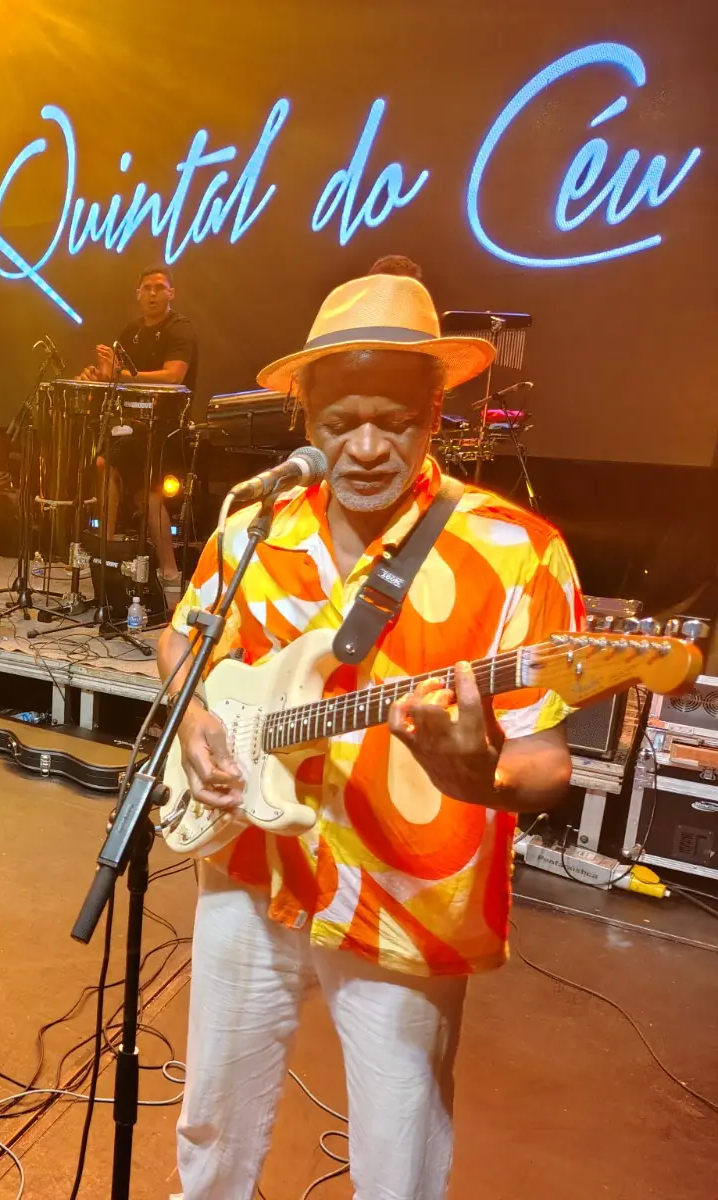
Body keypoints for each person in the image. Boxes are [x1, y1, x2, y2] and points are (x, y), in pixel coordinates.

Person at [160, 273, 580, 1199]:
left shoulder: (514, 552)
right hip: (250, 864)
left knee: (401, 1168)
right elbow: (182, 638)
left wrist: (484, 777)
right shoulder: (256, 527)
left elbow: (547, 759)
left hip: (403, 896)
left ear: (437, 412)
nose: (363, 448)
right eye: (338, 421)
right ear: (302, 414)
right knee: (210, 1132)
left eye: (395, 422)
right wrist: (194, 719)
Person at [80, 265, 197, 593]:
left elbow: (174, 375)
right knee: (103, 465)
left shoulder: (180, 329)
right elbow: (114, 377)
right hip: (130, 426)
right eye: (147, 288)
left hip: (166, 428)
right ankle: (104, 556)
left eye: (159, 288)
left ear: (171, 293)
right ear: (138, 294)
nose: (153, 294)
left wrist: (122, 375)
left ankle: (170, 573)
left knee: (149, 495)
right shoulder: (131, 332)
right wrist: (98, 375)